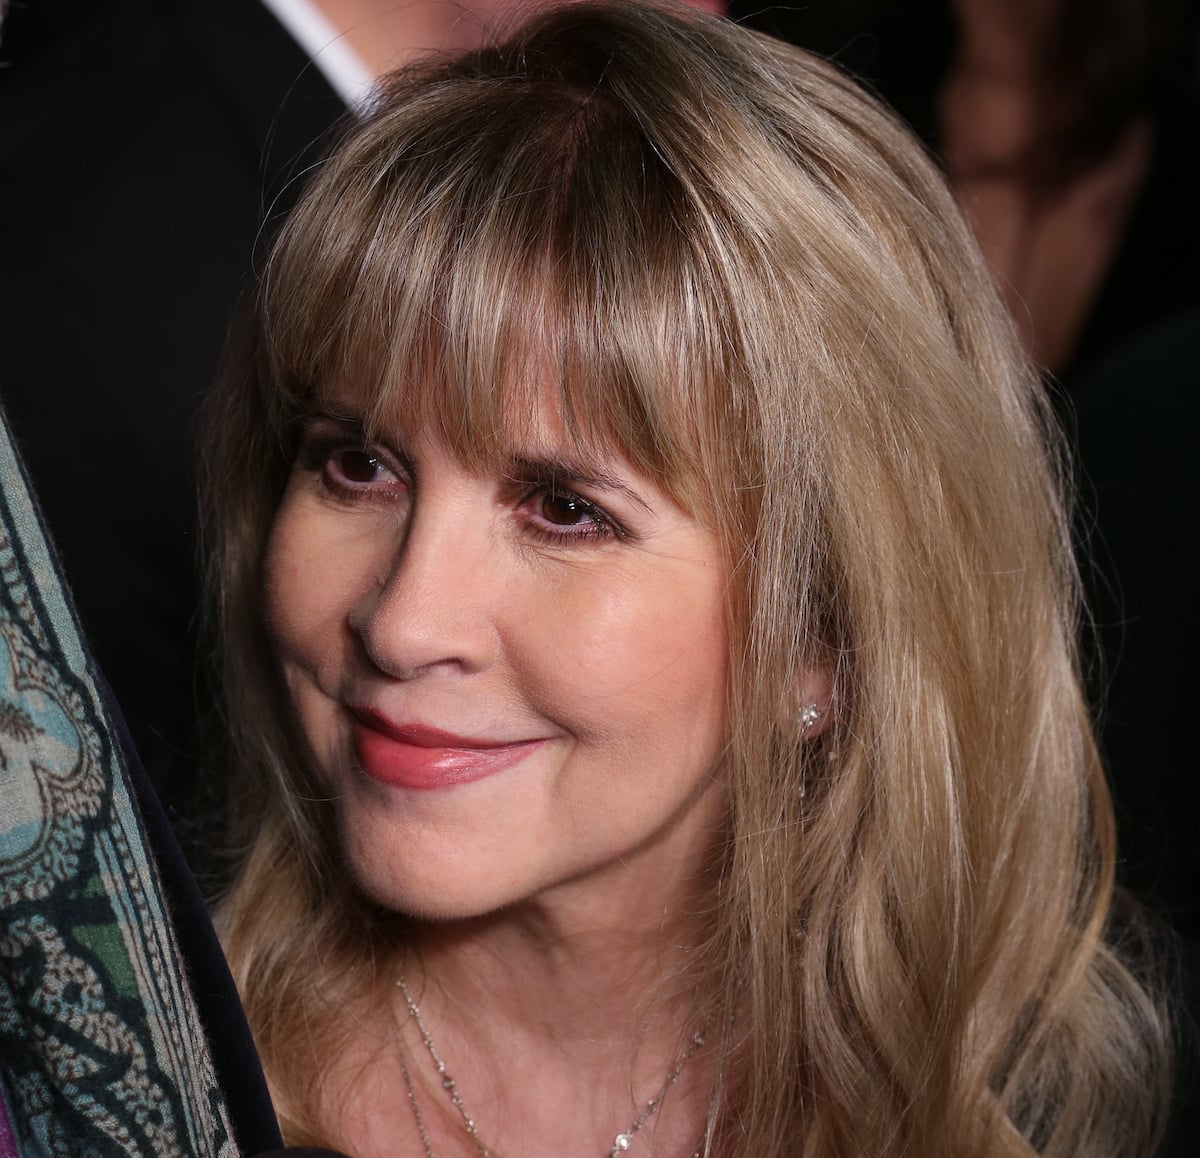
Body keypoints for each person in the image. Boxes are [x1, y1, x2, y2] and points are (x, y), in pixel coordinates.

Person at [201, 2, 1172, 1155]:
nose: (403, 622)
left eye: (565, 510)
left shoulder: (1074, 1110)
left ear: (824, 638)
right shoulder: (121, 1083)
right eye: (358, 466)